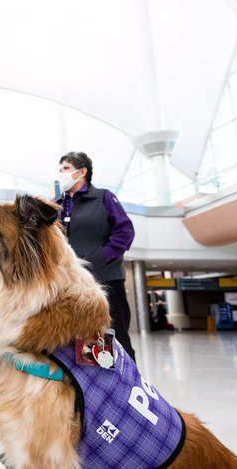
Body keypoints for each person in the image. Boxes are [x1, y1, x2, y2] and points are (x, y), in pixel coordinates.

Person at [56, 151, 136, 360]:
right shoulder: (58, 205)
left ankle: (128, 385)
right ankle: (98, 386)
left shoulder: (103, 197)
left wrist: (99, 258)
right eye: (60, 169)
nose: (61, 173)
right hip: (74, 285)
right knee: (87, 340)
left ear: (82, 172)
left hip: (106, 279)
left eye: (65, 168)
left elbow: (125, 232)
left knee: (114, 336)